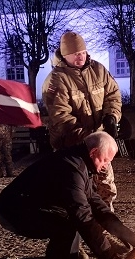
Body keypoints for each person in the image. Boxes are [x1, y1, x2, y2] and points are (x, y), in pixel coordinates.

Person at [0, 131, 135, 259]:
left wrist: (121, 230)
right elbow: (83, 218)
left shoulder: (82, 163)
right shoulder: (72, 168)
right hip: (13, 210)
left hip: (30, 205)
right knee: (64, 228)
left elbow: (94, 201)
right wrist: (111, 258)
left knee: (67, 223)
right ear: (93, 152)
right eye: (105, 160)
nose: (106, 166)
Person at [42, 31, 122, 209]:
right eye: (75, 54)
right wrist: (89, 139)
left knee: (106, 187)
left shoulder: (98, 70)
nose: (80, 57)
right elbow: (61, 117)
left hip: (98, 142)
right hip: (71, 145)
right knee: (77, 190)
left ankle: (106, 221)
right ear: (65, 55)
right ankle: (80, 226)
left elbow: (113, 95)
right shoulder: (56, 80)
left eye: (82, 52)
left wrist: (112, 116)